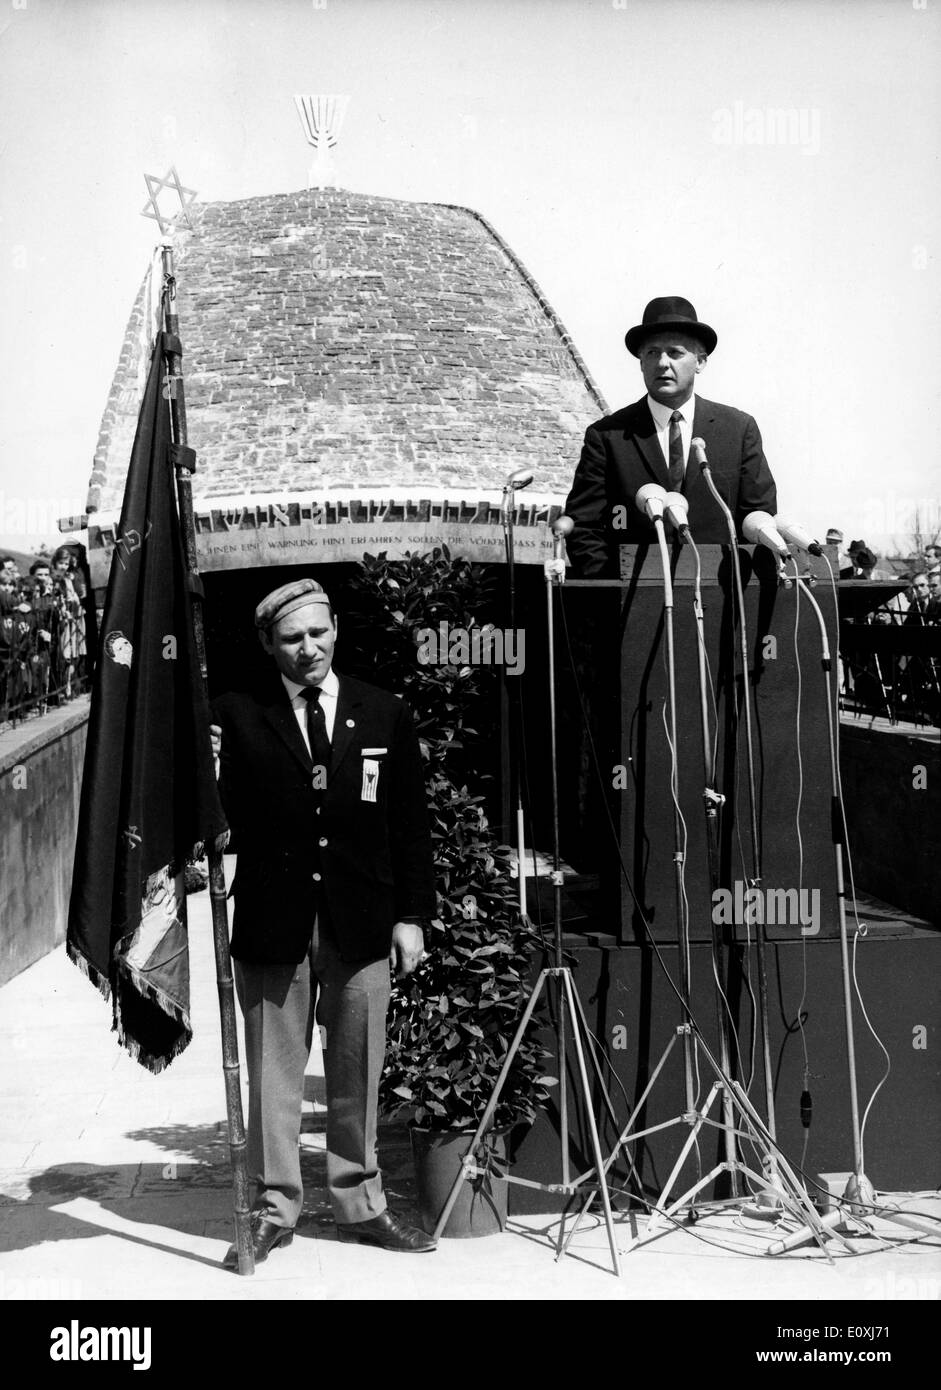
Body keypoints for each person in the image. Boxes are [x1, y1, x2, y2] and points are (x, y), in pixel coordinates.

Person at [210, 578, 439, 1268]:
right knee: (273, 1077)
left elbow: (409, 825)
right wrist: (209, 769)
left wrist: (412, 916)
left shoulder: (382, 711)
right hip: (274, 923)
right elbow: (215, 830)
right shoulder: (236, 715)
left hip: (361, 921)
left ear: (335, 627)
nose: (307, 649)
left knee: (355, 1070)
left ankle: (358, 1203)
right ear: (267, 645)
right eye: (290, 639)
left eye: (317, 633)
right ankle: (273, 1210)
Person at [564, 296, 777, 575]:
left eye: (675, 353)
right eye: (652, 353)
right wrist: (614, 591)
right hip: (631, 605)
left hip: (721, 602)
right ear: (641, 363)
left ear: (700, 361)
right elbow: (583, 525)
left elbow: (758, 519)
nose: (662, 363)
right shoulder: (607, 436)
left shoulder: (738, 430)